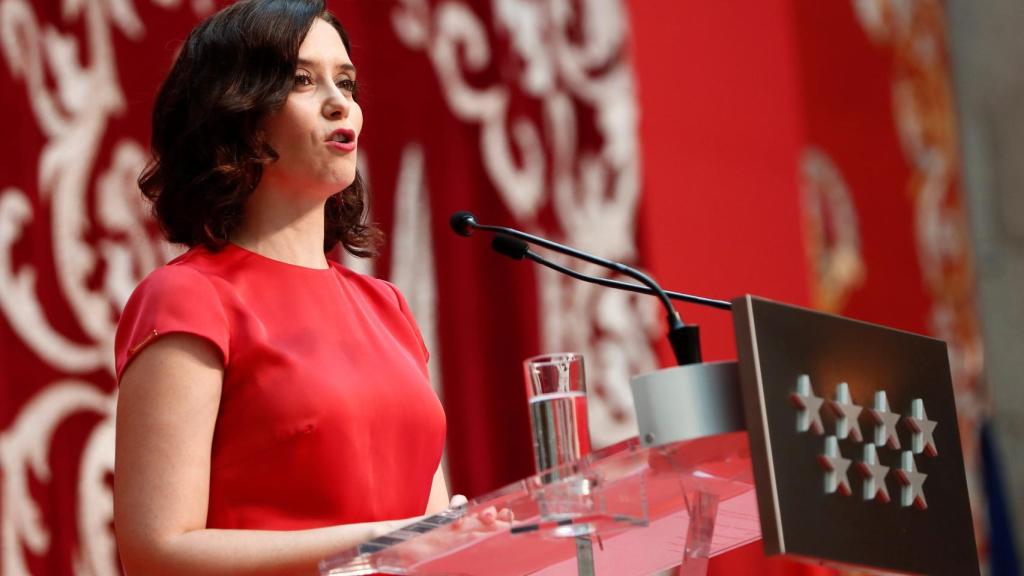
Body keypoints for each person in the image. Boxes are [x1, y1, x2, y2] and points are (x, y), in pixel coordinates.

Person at [113, 1, 505, 574]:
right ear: (238, 112)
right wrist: (378, 541)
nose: (339, 101)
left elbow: (423, 527)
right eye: (302, 80)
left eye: (346, 82)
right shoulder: (189, 298)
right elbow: (157, 552)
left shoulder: (385, 306)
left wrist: (460, 539)